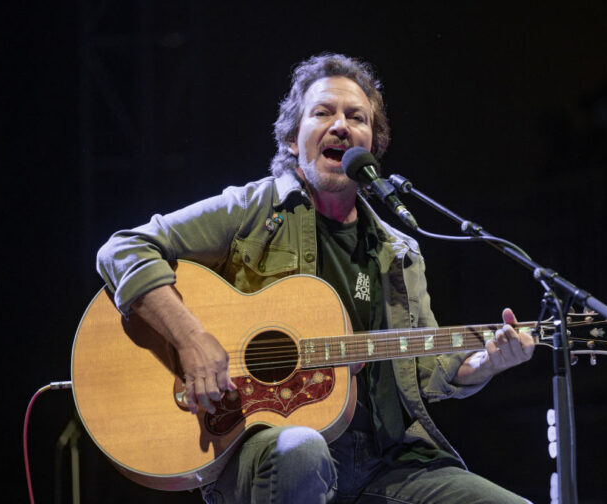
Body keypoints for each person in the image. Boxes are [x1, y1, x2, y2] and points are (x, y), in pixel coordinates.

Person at [97, 53, 535, 504]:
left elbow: (424, 370)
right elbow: (123, 248)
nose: (341, 125)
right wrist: (191, 340)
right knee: (302, 449)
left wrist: (485, 364)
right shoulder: (252, 210)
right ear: (292, 140)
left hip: (389, 464)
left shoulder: (399, 253)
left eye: (356, 117)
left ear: (372, 146)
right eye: (323, 112)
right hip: (271, 447)